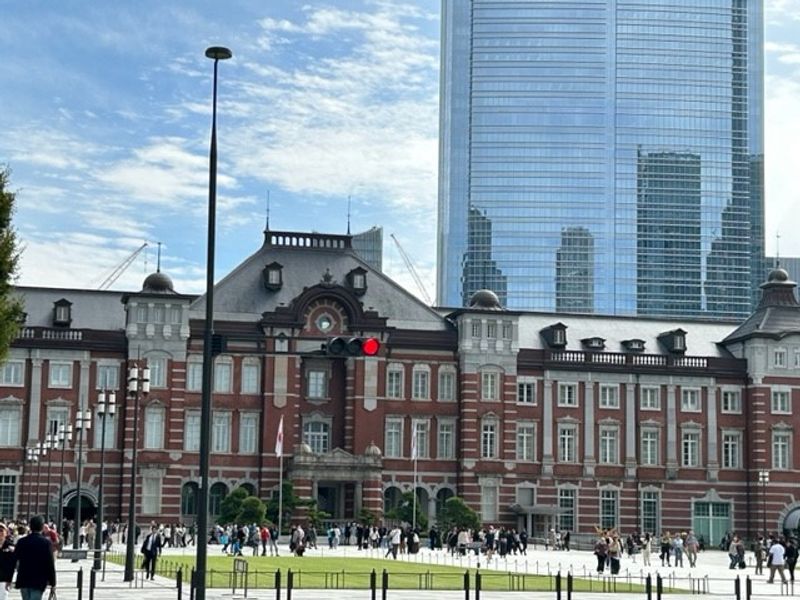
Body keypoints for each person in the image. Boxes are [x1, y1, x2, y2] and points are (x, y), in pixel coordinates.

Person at [11, 515, 57, 600]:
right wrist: (53, 582)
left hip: (24, 579)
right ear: (42, 527)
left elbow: (13, 560)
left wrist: (8, 578)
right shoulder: (46, 543)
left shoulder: (21, 542)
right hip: (39, 580)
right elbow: (50, 564)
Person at [0, 523, 15, 600]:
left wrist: (9, 580)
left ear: (6, 533)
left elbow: (12, 565)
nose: (0, 533)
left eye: (1, 531)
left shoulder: (10, 546)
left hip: (4, 579)